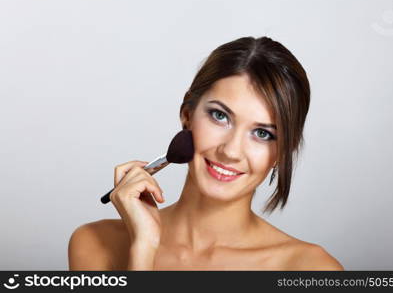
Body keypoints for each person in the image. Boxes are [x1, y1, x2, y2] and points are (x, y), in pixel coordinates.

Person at [68, 36, 344, 270]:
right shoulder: (96, 245)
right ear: (187, 114)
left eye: (263, 133)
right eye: (220, 116)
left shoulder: (310, 268)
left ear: (282, 153)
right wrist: (144, 249)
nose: (231, 151)